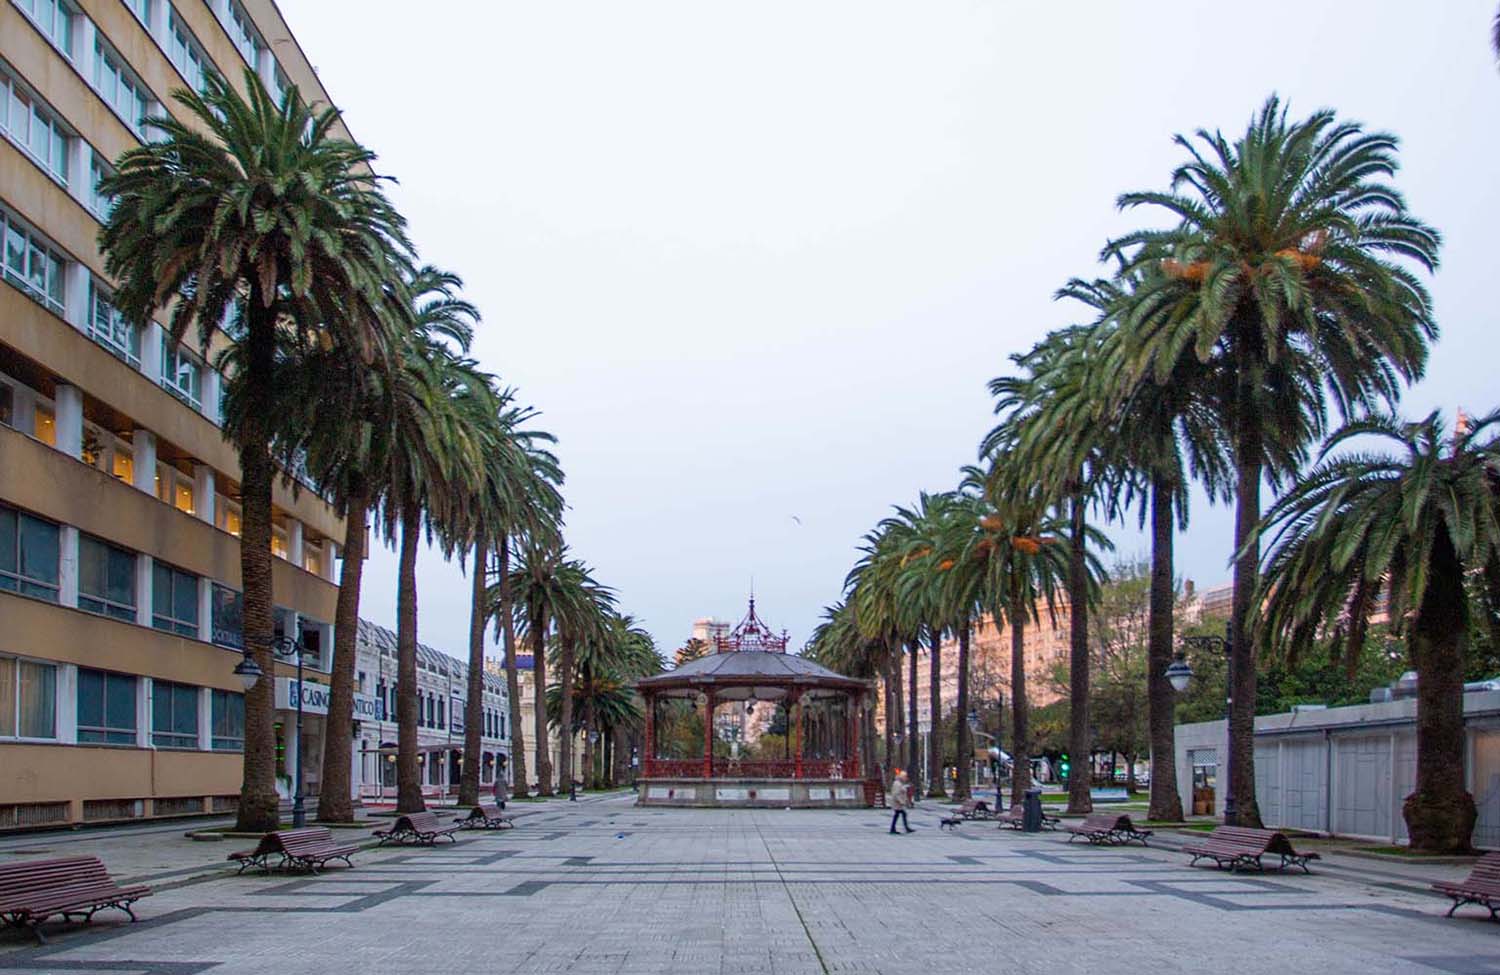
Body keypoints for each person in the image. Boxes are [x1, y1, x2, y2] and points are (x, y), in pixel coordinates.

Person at [888, 770, 914, 834]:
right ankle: (905, 828)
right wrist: (901, 801)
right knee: (902, 814)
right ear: (902, 777)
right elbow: (896, 794)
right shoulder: (898, 784)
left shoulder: (899, 783)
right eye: (905, 777)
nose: (906, 778)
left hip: (898, 803)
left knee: (898, 815)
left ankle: (894, 828)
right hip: (897, 803)